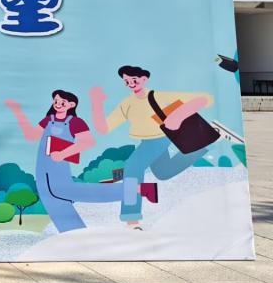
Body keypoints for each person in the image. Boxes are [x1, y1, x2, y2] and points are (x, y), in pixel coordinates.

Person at [5, 90, 156, 232]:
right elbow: (31, 135)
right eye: (55, 101)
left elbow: (88, 142)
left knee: (67, 190)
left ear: (71, 105)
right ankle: (75, 235)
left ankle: (137, 189)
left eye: (62, 102)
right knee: (51, 200)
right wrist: (18, 111)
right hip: (42, 170)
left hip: (58, 167)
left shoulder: (75, 122)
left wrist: (63, 154)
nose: (57, 104)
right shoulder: (48, 120)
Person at [91, 65, 213, 229]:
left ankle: (131, 218)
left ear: (144, 79)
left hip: (161, 138)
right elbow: (103, 128)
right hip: (147, 141)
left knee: (132, 167)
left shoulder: (159, 96)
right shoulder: (127, 104)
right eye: (126, 81)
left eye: (134, 80)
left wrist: (177, 117)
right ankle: (202, 148)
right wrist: (96, 103)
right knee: (163, 172)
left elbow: (204, 99)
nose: (130, 84)